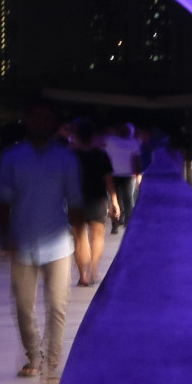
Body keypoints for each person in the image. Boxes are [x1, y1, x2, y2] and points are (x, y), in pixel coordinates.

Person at [0, 99, 84, 384]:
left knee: (58, 306)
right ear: (27, 120)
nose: (42, 123)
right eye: (37, 117)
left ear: (55, 124)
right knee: (23, 306)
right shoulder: (12, 158)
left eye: (48, 118)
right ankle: (34, 355)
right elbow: (3, 200)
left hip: (58, 243)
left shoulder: (66, 159)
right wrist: (5, 235)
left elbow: (75, 201)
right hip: (23, 243)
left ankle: (52, 363)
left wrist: (79, 236)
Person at [69, 119, 115, 287]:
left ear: (76, 136)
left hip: (76, 200)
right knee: (97, 237)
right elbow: (109, 180)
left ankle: (83, 276)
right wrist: (114, 201)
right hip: (98, 198)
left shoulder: (70, 155)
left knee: (79, 238)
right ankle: (93, 270)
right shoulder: (101, 155)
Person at [101, 121, 141, 231]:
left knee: (120, 199)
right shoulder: (130, 142)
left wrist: (137, 174)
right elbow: (136, 160)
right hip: (121, 174)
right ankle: (121, 221)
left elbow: (136, 160)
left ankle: (120, 221)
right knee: (124, 199)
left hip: (123, 174)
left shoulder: (112, 141)